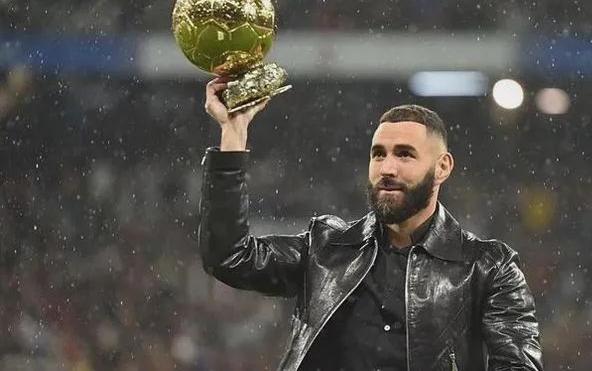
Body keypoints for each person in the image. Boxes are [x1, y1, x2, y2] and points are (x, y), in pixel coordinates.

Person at [198, 77, 544, 370]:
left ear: (442, 167)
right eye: (379, 154)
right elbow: (229, 257)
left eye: (404, 154)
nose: (387, 168)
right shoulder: (326, 248)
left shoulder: (489, 267)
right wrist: (233, 131)